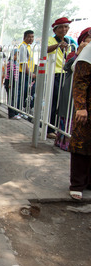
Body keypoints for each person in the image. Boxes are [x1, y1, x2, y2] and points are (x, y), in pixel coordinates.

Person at [56, 27, 91, 151]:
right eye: (88, 38)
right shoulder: (75, 53)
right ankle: (64, 141)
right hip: (71, 91)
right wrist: (78, 53)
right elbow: (68, 67)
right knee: (68, 115)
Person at [68, 38, 91, 200]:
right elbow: (80, 81)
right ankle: (77, 184)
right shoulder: (88, 52)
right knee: (81, 144)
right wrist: (81, 107)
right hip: (87, 109)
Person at [47, 17, 73, 138]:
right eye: (61, 27)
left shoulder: (69, 41)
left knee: (62, 102)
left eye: (66, 27)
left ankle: (58, 127)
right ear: (55, 29)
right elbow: (45, 50)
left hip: (64, 74)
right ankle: (48, 128)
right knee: (53, 101)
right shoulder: (51, 40)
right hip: (54, 74)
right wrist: (58, 45)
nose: (64, 29)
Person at [17, 30, 36, 113]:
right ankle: (19, 110)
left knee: (26, 93)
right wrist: (30, 74)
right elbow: (23, 63)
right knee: (22, 93)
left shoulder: (28, 47)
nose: (31, 39)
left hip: (26, 74)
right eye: (29, 37)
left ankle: (21, 110)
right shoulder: (23, 47)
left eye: (32, 37)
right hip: (23, 74)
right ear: (24, 37)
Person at [4, 49, 20, 119]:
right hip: (10, 82)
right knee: (11, 98)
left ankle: (14, 113)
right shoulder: (11, 63)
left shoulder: (15, 62)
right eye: (16, 55)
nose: (17, 56)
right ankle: (11, 114)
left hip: (13, 82)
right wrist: (10, 83)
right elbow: (11, 73)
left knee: (13, 97)